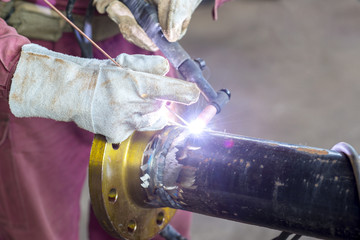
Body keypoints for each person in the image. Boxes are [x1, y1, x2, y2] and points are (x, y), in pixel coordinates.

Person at [0, 0, 205, 239]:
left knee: (153, 216)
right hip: (33, 54)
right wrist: (40, 77)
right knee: (38, 229)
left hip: (140, 46)